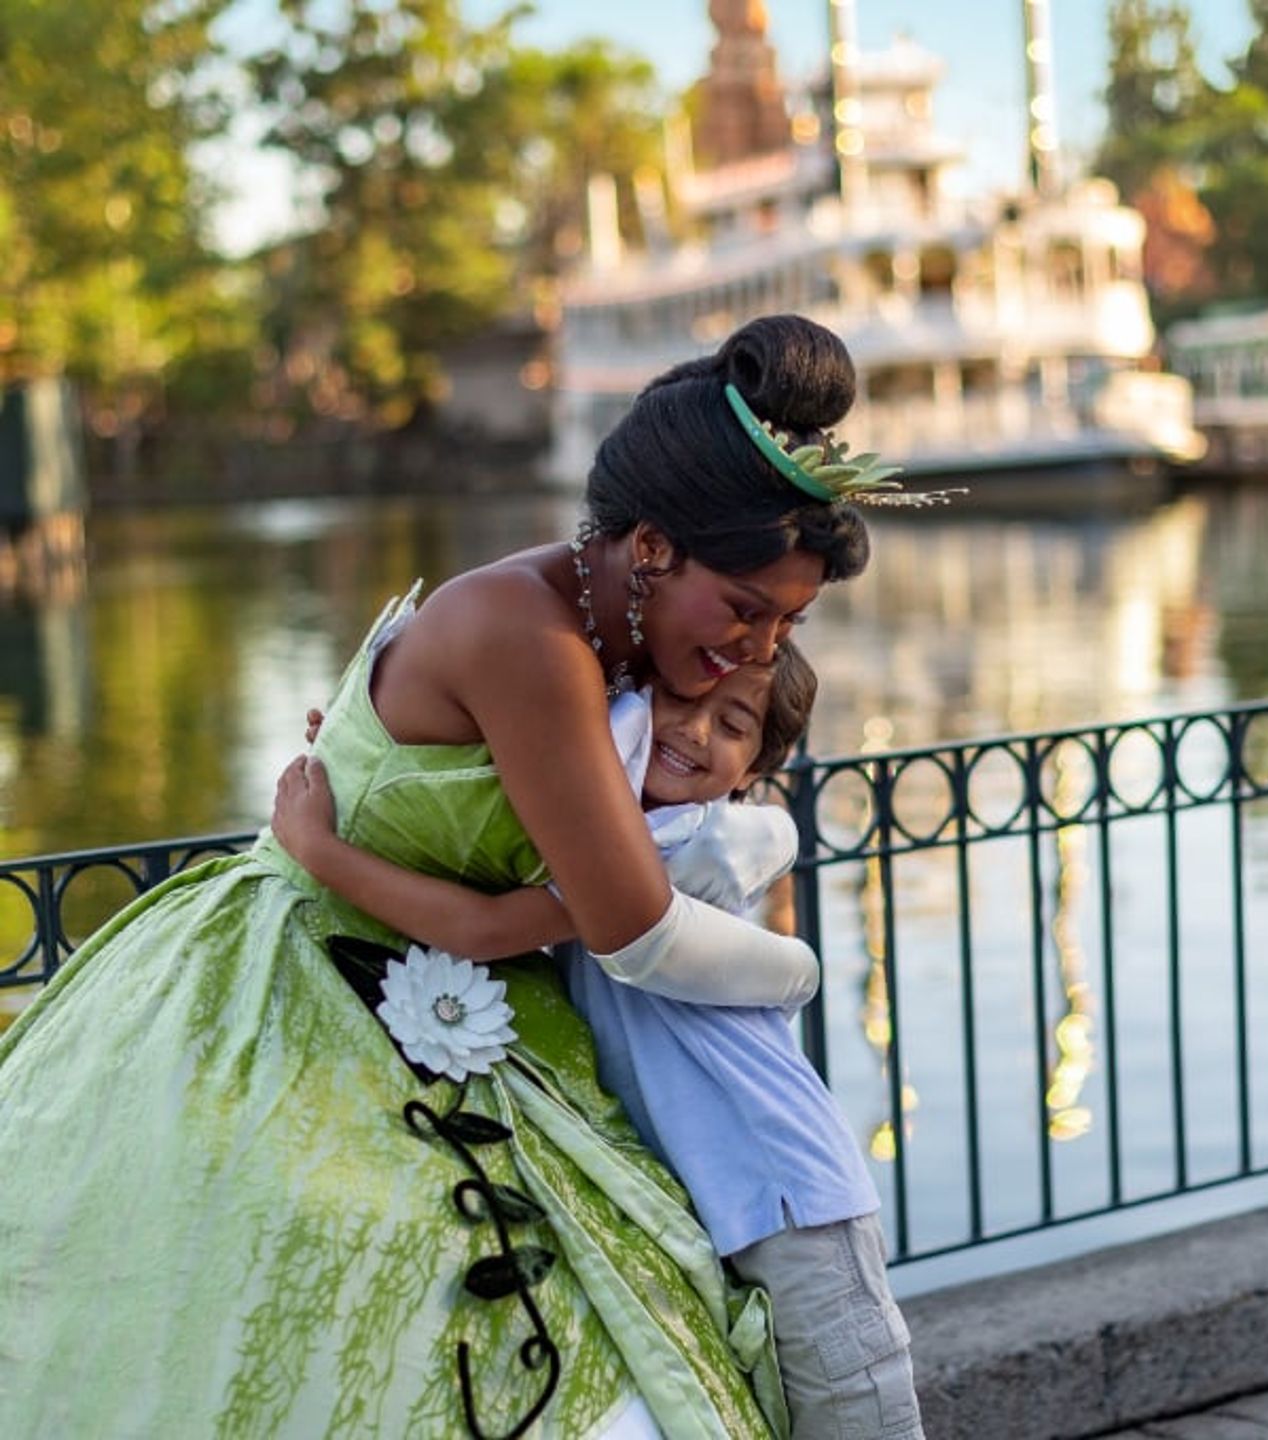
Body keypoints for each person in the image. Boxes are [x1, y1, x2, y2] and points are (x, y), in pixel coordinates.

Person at [0, 314, 894, 1439]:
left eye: (790, 623)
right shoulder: (529, 636)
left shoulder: (622, 645)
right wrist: (800, 967)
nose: (762, 651)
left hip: (456, 1001)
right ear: (654, 546)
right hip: (315, 994)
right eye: (749, 610)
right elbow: (634, 928)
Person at [272, 642, 926, 1440]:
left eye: (733, 723)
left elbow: (485, 926)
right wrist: (375, 760)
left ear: (752, 769)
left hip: (786, 1194)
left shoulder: (675, 845)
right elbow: (484, 803)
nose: (691, 731)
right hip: (710, 1195)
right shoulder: (598, 817)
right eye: (680, 699)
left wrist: (323, 852)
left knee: (857, 1417)